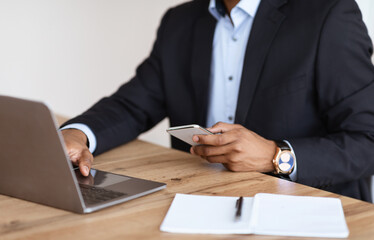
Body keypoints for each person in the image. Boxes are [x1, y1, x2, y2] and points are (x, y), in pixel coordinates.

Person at [61, 0, 374, 202]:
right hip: (199, 203)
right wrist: (77, 134)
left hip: (306, 207)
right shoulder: (179, 21)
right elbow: (132, 104)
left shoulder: (328, 14)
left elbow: (368, 140)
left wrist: (275, 156)